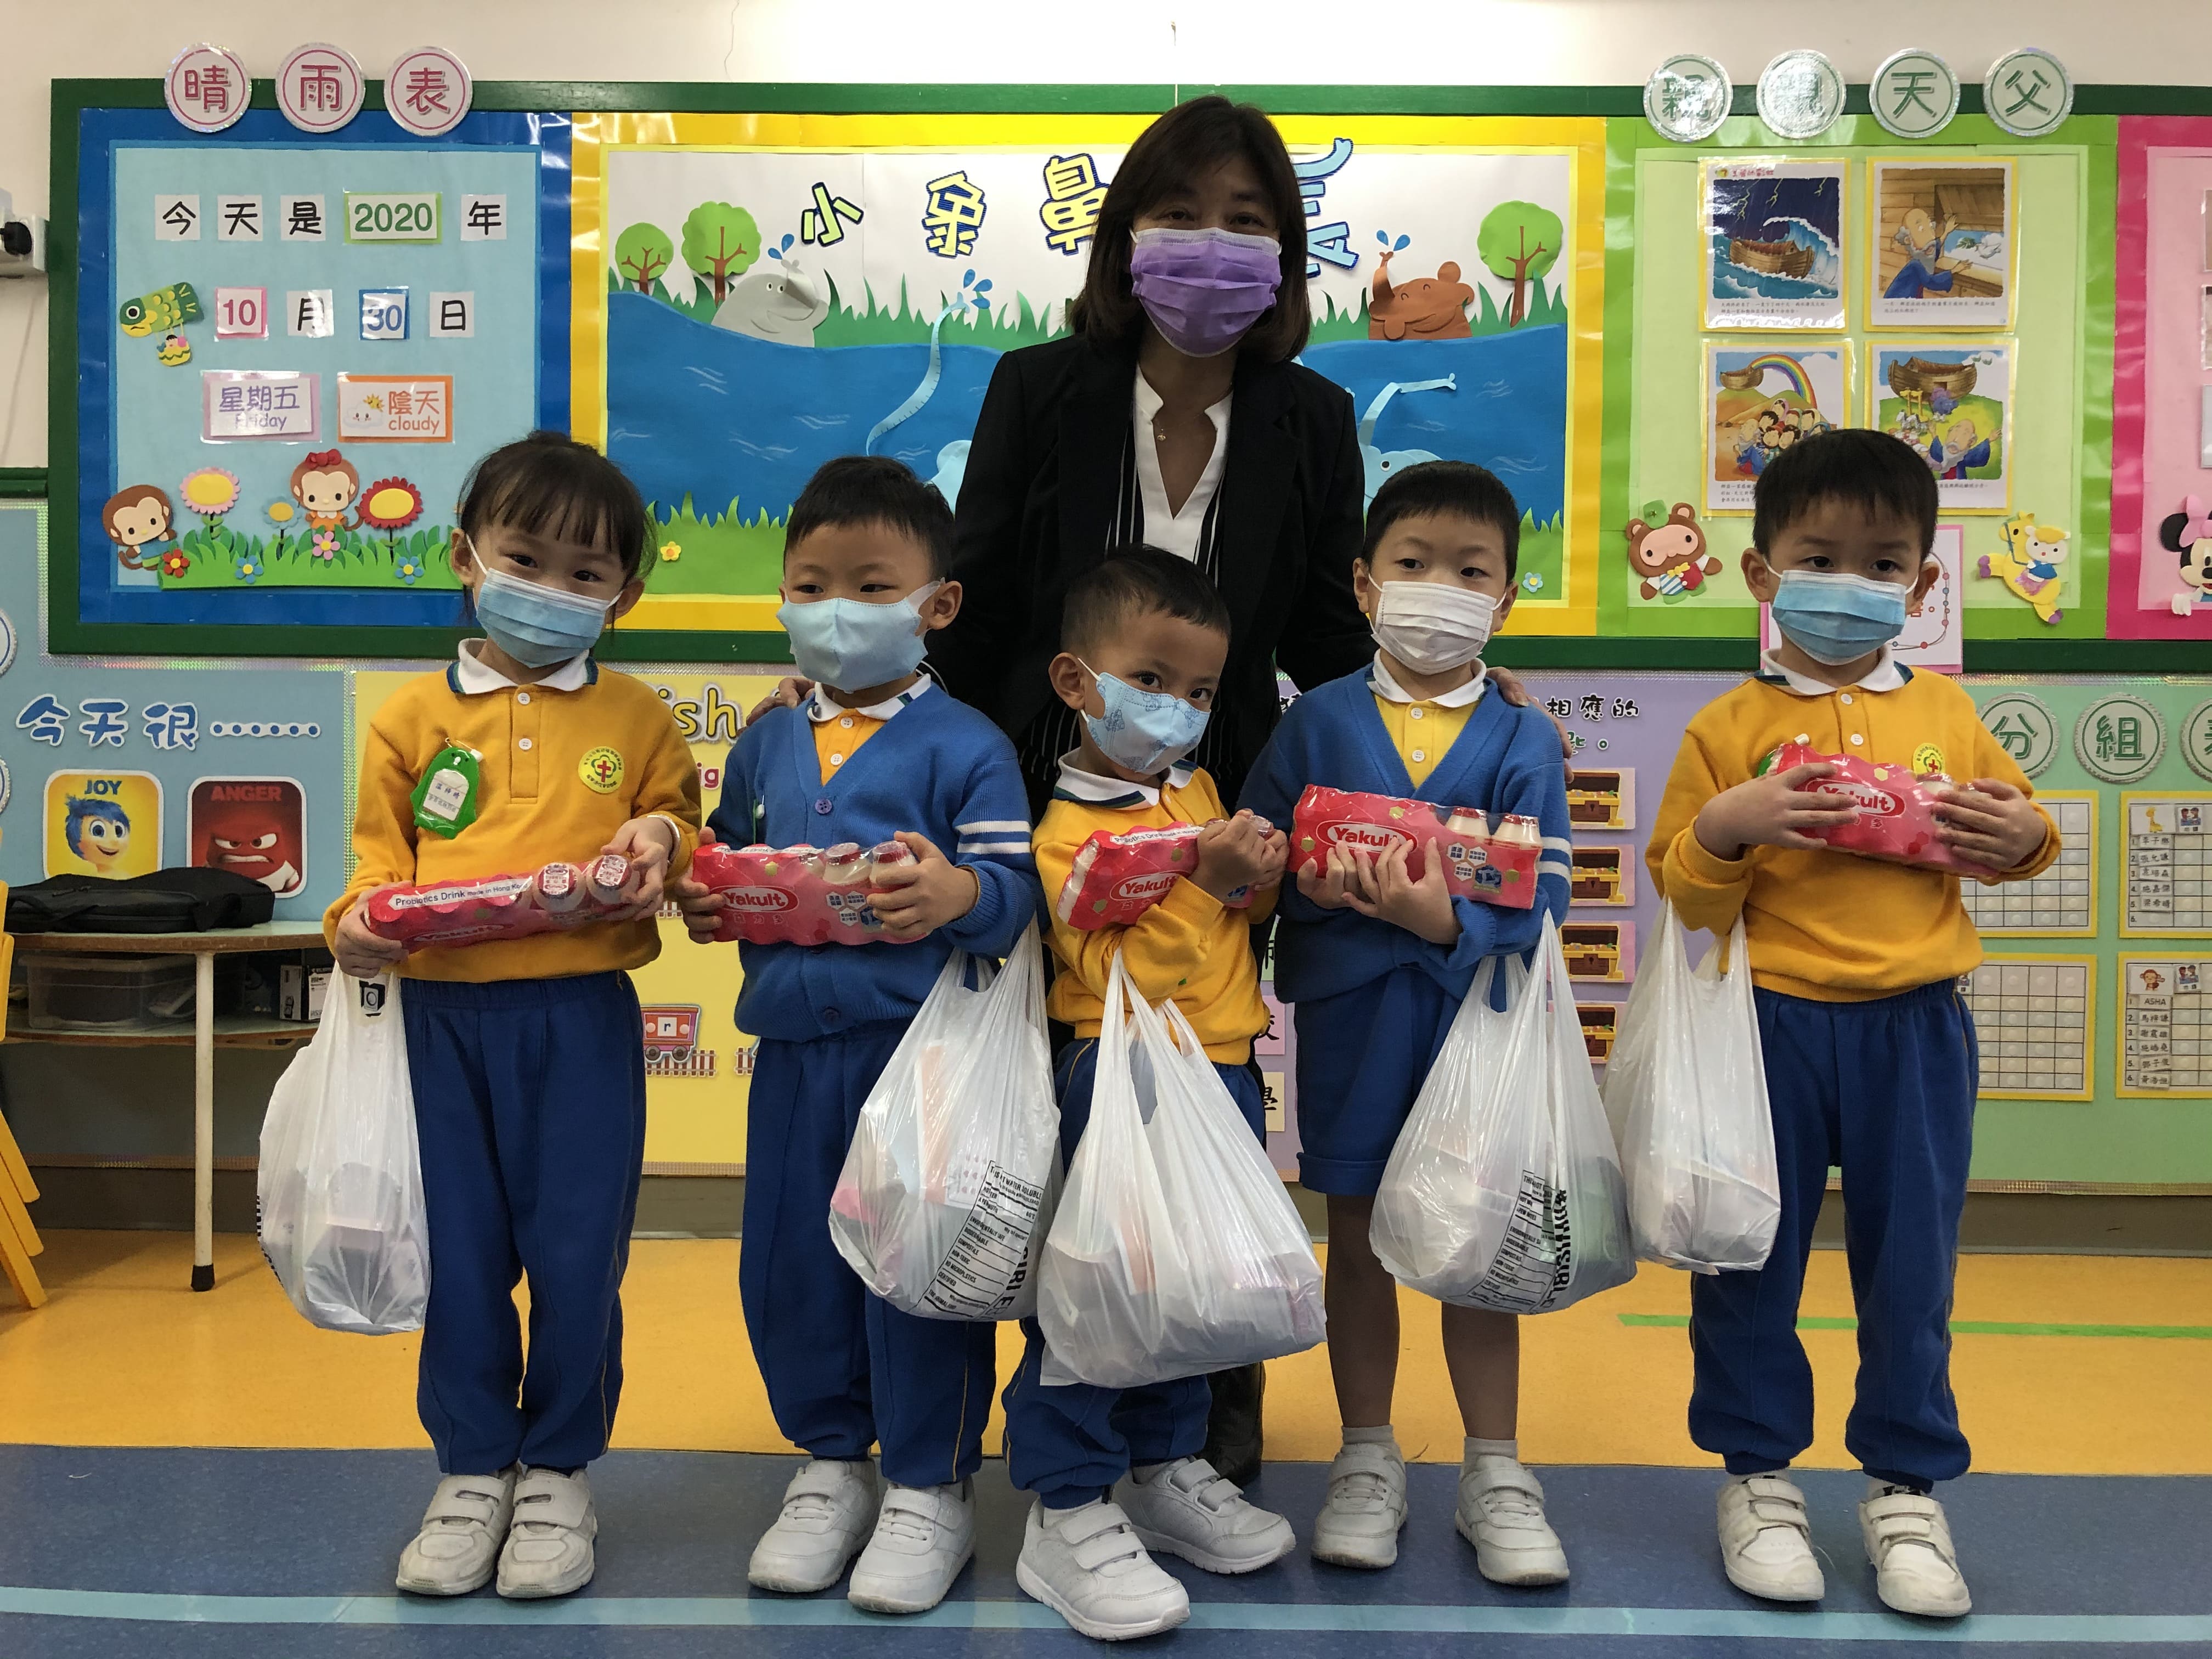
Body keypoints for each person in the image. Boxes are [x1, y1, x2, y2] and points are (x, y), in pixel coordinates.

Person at [1645, 428, 2059, 1620]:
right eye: (1818, 557)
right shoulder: (1728, 725)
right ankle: (1757, 1479)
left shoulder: (1947, 710)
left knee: (1912, 1269)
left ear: (1921, 587)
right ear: (1762, 573)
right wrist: (1728, 825)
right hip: (1766, 1028)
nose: (1850, 584)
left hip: (1915, 1032)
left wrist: (2026, 838)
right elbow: (1685, 890)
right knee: (1747, 1262)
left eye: (1882, 565)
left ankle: (1906, 1491)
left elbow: (2018, 829)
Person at [326, 431, 703, 1600]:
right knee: (459, 1256)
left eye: (585, 574)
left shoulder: (639, 717)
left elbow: (681, 830)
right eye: (525, 560)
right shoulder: (408, 718)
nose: (550, 589)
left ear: (623, 596)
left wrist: (660, 839)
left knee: (578, 1256)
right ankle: (472, 1469)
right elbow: (372, 869)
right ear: (467, 558)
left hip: (582, 1019)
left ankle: (559, 1472)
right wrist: (354, 923)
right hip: (438, 1025)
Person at [672, 456, 1041, 1616]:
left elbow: (1013, 897)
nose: (837, 609)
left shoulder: (969, 746)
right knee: (793, 1265)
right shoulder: (766, 743)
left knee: (919, 1265)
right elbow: (728, 860)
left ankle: (928, 1483)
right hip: (793, 1059)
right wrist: (707, 900)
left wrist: (960, 896)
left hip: (921, 1062)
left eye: (872, 586)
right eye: (811, 585)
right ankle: (830, 1463)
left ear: (937, 604)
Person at [1240, 462, 1574, 1582]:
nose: (1440, 588)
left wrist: (1448, 921)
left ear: (1506, 600)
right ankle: (1366, 1455)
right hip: (1351, 1023)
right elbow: (1257, 856)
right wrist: (1282, 876)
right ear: (1364, 584)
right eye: (1414, 563)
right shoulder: (1317, 722)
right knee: (1358, 1235)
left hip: (1473, 1028)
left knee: (1481, 1245)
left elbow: (1548, 891)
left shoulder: (1522, 736)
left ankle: (1496, 1469)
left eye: (1471, 572)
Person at [1006, 546, 1295, 1640]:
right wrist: (1210, 886)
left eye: (1201, 691)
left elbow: (1228, 929)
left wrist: (1253, 877)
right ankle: (1067, 1502)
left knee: (1188, 1294)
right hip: (1120, 1076)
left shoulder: (1197, 791)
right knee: (1098, 1292)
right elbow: (1125, 974)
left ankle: (1165, 1465)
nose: (1178, 709)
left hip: (1221, 1071)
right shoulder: (1065, 834)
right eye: (1152, 679)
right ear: (1077, 681)